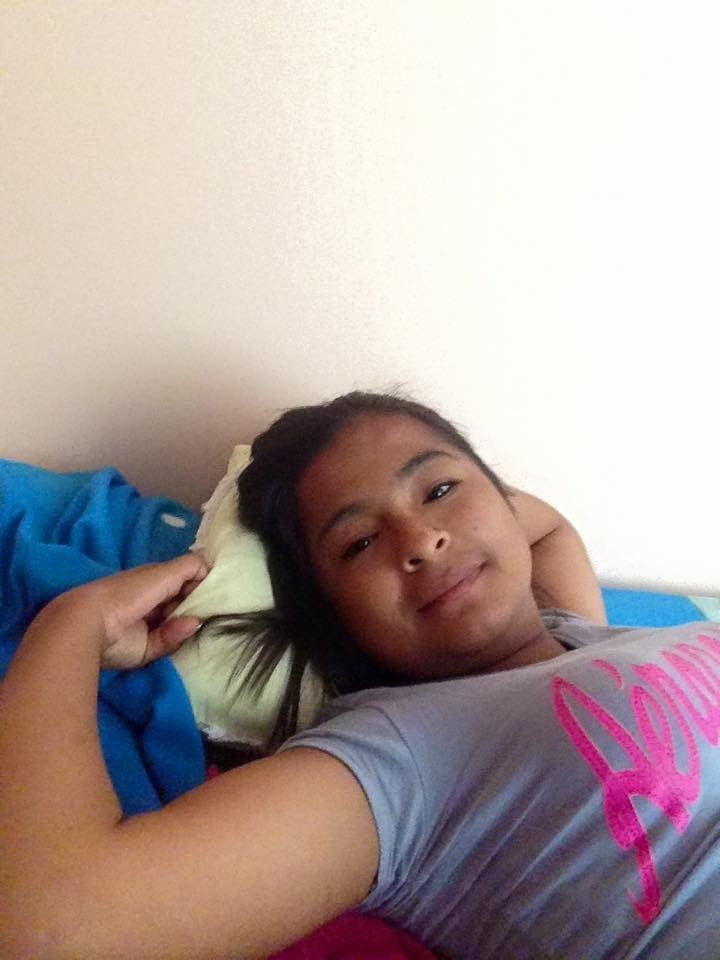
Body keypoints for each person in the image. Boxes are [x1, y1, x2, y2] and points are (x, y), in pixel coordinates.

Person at [0, 391, 717, 960]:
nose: (422, 540)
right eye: (359, 542)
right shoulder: (403, 754)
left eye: (440, 488)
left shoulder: (574, 633)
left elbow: (546, 526)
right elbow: (56, 930)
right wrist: (70, 627)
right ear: (332, 614)